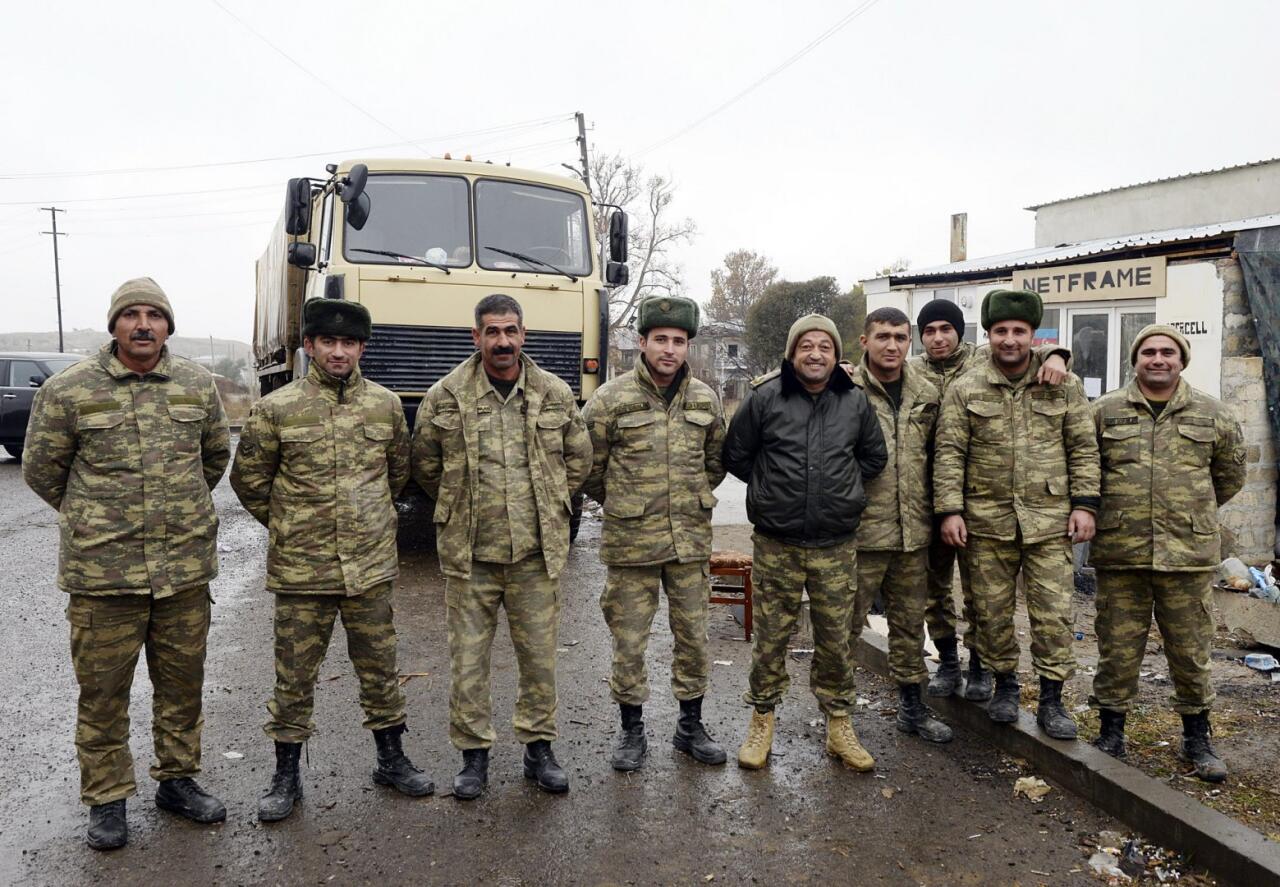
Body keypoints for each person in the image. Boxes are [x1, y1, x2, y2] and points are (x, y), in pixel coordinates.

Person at [23, 278, 230, 850]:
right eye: (131, 315)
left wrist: (175, 510)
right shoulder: (70, 391)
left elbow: (213, 458)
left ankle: (178, 781)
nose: (143, 325)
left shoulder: (195, 385)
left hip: (183, 573)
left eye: (154, 316)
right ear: (114, 325)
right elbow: (42, 470)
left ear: (168, 325)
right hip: (103, 578)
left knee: (182, 687)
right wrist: (96, 516)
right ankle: (108, 799)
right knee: (103, 694)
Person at [231, 299, 432, 823]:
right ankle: (285, 775)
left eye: (348, 343)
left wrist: (368, 522)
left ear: (362, 347)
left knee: (380, 669)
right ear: (310, 346)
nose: (338, 352)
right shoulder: (278, 409)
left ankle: (391, 759)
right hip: (303, 572)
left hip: (368, 568)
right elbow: (249, 482)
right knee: (293, 677)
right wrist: (291, 527)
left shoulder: (385, 406)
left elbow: (397, 472)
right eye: (328, 342)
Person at [411, 294, 592, 799]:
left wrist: (552, 503)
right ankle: (474, 757)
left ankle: (539, 750)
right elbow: (426, 467)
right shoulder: (446, 396)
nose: (503, 341)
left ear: (524, 335)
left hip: (536, 555)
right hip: (471, 556)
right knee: (468, 662)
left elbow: (578, 461)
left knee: (539, 661)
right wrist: (461, 504)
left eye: (511, 330)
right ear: (476, 337)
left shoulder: (554, 394)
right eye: (492, 331)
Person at [723, 314, 887, 771]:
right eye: (806, 346)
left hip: (836, 544)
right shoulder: (765, 397)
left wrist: (843, 488)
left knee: (836, 639)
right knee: (771, 638)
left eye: (824, 347)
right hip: (778, 543)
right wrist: (770, 487)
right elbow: (736, 454)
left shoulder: (854, 401)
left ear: (836, 355)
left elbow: (874, 456)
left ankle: (839, 726)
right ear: (792, 353)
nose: (815, 354)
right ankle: (761, 722)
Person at [934, 289, 1100, 739]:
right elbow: (949, 452)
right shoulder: (966, 388)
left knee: (1054, 613)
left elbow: (1083, 448)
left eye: (1019, 331)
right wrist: (950, 511)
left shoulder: (1063, 383)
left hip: (1050, 522)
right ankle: (1005, 684)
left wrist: (1086, 505)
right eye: (1001, 331)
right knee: (990, 612)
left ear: (1034, 335)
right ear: (987, 335)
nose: (1010, 340)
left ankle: (1051, 699)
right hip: (985, 521)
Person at [1089, 325, 1245, 781]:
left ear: (1182, 360)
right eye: (1149, 352)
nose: (1158, 359)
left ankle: (1197, 738)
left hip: (1187, 554)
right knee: (1117, 648)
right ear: (1135, 360)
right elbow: (1086, 469)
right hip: (1122, 552)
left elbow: (1229, 476)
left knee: (1191, 650)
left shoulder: (1213, 414)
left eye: (1167, 352)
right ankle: (1111, 732)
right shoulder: (1104, 412)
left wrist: (1188, 508)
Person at [582, 296, 728, 772]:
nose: (669, 349)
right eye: (660, 340)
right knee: (628, 641)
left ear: (689, 345)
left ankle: (690, 726)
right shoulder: (611, 398)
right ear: (642, 342)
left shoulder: (705, 399)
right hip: (631, 545)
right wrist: (625, 502)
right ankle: (631, 730)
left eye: (679, 341)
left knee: (693, 637)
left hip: (688, 543)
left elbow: (715, 463)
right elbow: (590, 466)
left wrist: (688, 498)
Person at [912, 299, 1071, 702]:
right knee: (935, 589)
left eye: (946, 328)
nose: (938, 337)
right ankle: (949, 662)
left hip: (980, 505)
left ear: (963, 333)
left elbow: (1024, 349)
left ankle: (981, 664)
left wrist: (1058, 354)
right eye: (929, 330)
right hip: (926, 498)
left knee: (981, 595)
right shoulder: (911, 371)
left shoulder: (979, 362)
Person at [847, 308, 951, 744]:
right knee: (843, 625)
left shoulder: (926, 392)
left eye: (901, 338)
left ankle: (912, 707)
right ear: (864, 341)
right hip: (859, 533)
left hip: (913, 533)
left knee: (910, 625)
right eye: (883, 336)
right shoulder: (844, 390)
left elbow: (942, 457)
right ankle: (838, 712)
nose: (892, 345)